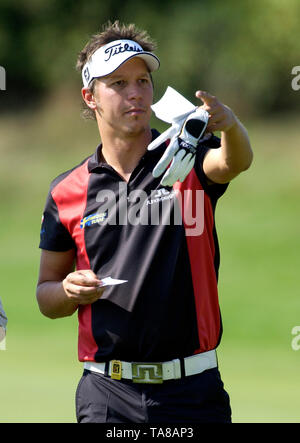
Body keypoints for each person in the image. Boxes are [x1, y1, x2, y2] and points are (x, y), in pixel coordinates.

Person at [36, 20, 253, 423]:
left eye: (142, 80)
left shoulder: (185, 157)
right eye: (117, 83)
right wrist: (67, 290)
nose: (135, 92)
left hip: (193, 391)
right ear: (90, 97)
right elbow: (46, 295)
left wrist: (231, 127)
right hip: (106, 394)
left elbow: (232, 162)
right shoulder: (67, 190)